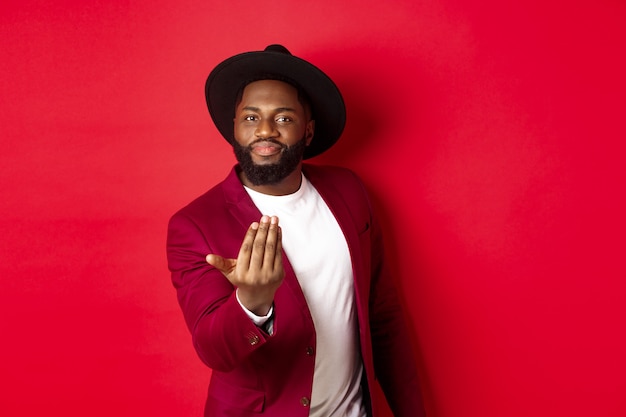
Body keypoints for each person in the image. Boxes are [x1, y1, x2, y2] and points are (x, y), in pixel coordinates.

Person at [166, 44, 426, 417]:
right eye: (251, 117)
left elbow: (382, 314)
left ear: (308, 130)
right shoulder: (194, 224)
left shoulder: (349, 192)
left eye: (284, 118)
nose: (265, 131)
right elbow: (214, 352)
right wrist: (252, 303)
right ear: (234, 127)